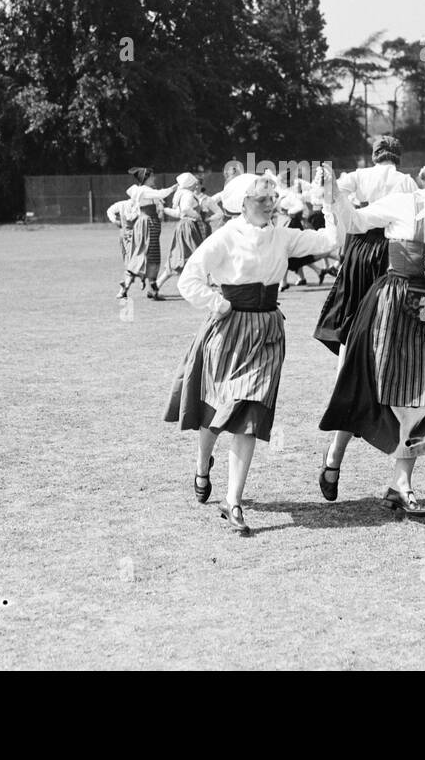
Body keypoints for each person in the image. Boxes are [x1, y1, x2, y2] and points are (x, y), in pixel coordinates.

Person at [317, 150, 425, 519]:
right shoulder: (402, 202)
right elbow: (354, 221)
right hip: (389, 303)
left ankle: (402, 485)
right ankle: (335, 453)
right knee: (368, 385)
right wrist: (334, 192)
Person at [165, 173, 340, 536]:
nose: (270, 203)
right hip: (229, 332)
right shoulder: (226, 237)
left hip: (267, 334)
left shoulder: (282, 235)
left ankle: (233, 500)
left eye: (272, 197)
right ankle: (202, 464)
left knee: (249, 412)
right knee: (216, 411)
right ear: (242, 202)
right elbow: (189, 278)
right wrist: (217, 303)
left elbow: (329, 240)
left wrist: (328, 199)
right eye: (261, 198)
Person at [313, 137, 418, 500]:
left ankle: (349, 355)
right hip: (389, 252)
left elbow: (329, 196)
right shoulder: (405, 181)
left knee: (355, 318)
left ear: (376, 155)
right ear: (397, 157)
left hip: (359, 248)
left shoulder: (359, 175)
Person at [121, 168, 176, 300]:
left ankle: (147, 288)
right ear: (146, 178)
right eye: (152, 176)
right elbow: (161, 194)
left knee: (148, 255)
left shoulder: (143, 190)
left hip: (150, 223)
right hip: (148, 224)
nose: (154, 178)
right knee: (146, 255)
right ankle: (133, 286)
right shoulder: (144, 190)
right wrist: (174, 188)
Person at [158, 173, 210, 291]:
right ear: (190, 184)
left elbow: (178, 213)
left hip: (184, 226)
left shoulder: (182, 195)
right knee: (196, 256)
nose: (196, 185)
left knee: (180, 257)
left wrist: (164, 209)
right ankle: (204, 287)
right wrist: (196, 214)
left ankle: (156, 285)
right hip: (189, 227)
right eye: (194, 183)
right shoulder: (188, 195)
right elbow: (186, 209)